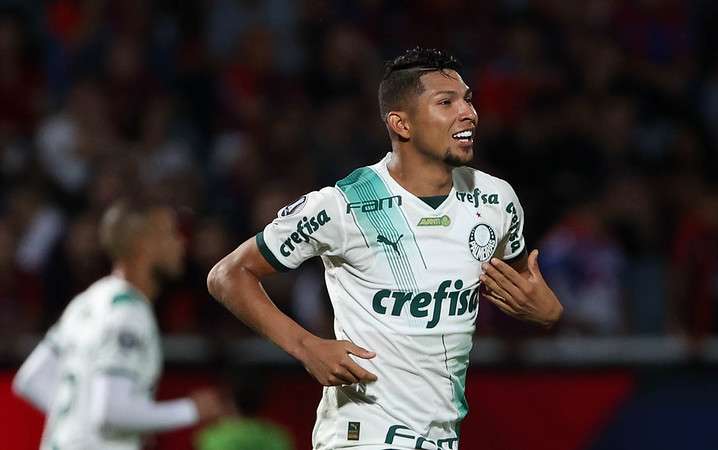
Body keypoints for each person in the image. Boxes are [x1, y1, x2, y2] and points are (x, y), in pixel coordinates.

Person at [207, 47, 563, 450]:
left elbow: (520, 285)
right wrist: (306, 346)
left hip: (442, 437)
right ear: (402, 123)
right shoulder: (345, 205)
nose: (469, 112)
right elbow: (228, 275)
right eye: (446, 102)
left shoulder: (496, 200)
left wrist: (549, 314)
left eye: (468, 99)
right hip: (362, 436)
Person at [13, 200, 228, 450]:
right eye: (170, 234)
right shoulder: (129, 311)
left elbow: (32, 378)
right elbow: (110, 412)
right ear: (143, 244)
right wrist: (191, 409)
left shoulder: (88, 301)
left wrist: (80, 424)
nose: (180, 242)